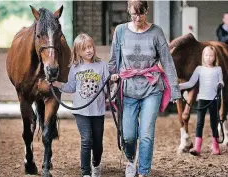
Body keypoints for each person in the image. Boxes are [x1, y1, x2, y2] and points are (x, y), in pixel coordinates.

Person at [108, 1, 181, 177]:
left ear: (146, 11)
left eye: (141, 14)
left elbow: (167, 61)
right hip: (128, 89)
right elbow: (113, 60)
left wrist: (175, 89)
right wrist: (113, 75)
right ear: (128, 12)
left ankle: (143, 171)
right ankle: (131, 159)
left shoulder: (156, 32)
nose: (137, 18)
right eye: (134, 14)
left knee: (146, 134)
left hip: (152, 88)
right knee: (129, 136)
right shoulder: (120, 31)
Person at [52, 33, 109, 177]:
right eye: (84, 49)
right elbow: (71, 87)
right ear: (78, 52)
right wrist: (57, 83)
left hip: (97, 111)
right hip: (81, 111)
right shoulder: (75, 68)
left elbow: (107, 89)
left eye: (90, 47)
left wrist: (113, 80)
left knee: (97, 143)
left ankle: (96, 164)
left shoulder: (102, 65)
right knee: (86, 140)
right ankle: (86, 173)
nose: (88, 50)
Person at [179, 46, 224, 156]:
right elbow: (191, 83)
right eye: (206, 55)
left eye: (211, 55)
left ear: (215, 57)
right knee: (200, 123)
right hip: (202, 99)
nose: (209, 58)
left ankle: (215, 146)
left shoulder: (218, 69)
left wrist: (220, 84)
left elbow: (221, 81)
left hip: (214, 100)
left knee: (214, 123)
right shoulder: (199, 69)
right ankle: (197, 147)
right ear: (203, 56)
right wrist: (178, 86)